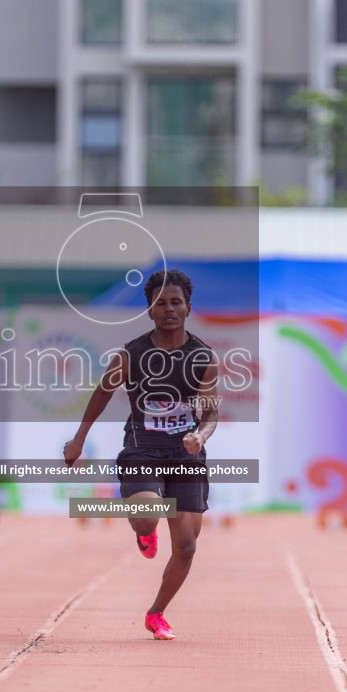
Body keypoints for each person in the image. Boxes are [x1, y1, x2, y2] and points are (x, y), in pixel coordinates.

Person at [63, 269, 218, 641]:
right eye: (160, 303)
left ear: (188, 308)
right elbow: (102, 394)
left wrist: (200, 434)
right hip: (142, 450)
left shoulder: (203, 357)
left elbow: (211, 412)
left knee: (186, 545)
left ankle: (157, 613)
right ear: (149, 310)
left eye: (176, 303)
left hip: (185, 456)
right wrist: (79, 438)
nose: (168, 309)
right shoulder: (132, 354)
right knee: (149, 518)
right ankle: (143, 531)